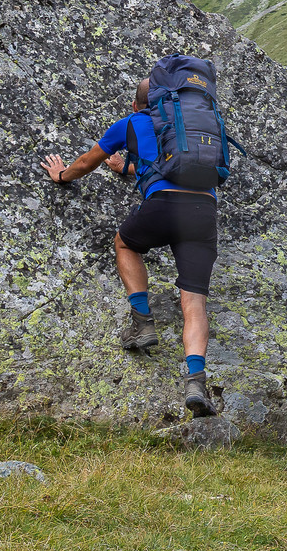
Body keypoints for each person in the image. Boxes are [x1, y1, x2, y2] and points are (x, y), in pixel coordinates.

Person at [40, 75, 221, 417]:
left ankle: (142, 322)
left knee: (124, 243)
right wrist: (127, 168)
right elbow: (168, 163)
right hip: (203, 213)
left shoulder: (132, 122)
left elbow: (87, 162)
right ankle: (196, 381)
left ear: (137, 105)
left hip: (163, 206)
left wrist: (61, 175)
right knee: (194, 301)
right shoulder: (192, 129)